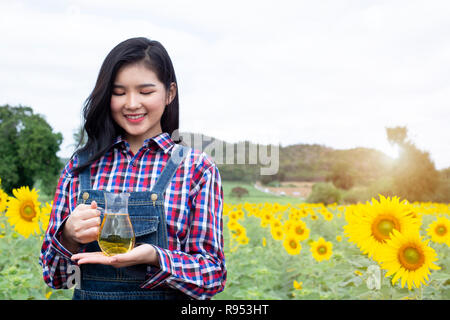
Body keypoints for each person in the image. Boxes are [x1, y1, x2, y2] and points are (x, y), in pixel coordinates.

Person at [39, 37, 226, 300]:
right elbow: (53, 276)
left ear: (169, 93)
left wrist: (156, 257)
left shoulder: (196, 169)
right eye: (118, 92)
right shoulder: (80, 166)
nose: (131, 103)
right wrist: (68, 235)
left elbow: (212, 277)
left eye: (146, 92)